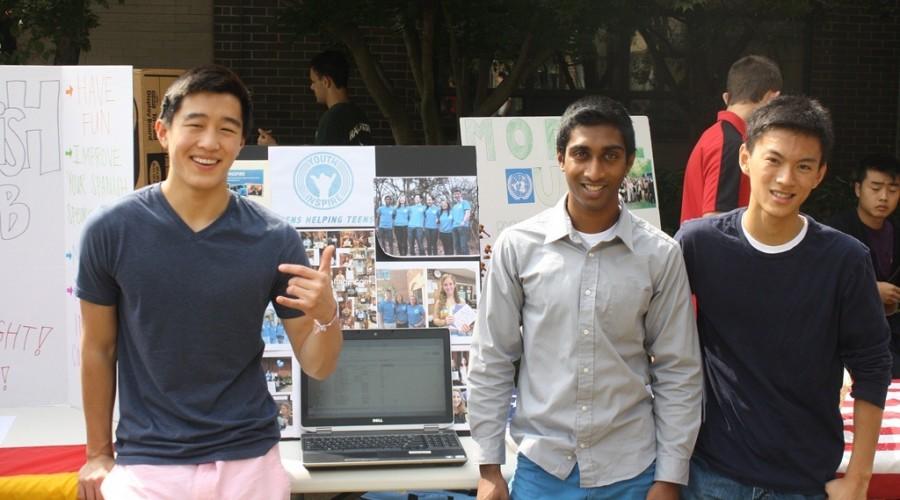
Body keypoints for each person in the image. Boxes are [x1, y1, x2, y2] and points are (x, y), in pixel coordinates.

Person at [76, 65, 343, 500]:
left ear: (241, 143)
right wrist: (97, 453)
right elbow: (97, 348)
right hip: (148, 465)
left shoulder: (273, 238)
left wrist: (328, 314)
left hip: (249, 463)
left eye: (226, 129)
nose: (209, 142)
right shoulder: (111, 230)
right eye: (195, 125)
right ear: (162, 131)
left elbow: (318, 364)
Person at [469, 95, 702, 500]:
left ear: (629, 162)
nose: (595, 171)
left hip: (632, 472)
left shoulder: (660, 255)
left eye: (610, 156)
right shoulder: (518, 247)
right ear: (561, 159)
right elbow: (492, 358)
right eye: (581, 154)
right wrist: (489, 469)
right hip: (543, 472)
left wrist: (668, 477)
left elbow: (678, 370)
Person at [676, 95, 892, 498]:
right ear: (746, 158)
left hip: (803, 480)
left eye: (803, 166)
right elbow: (657, 341)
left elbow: (872, 366)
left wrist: (858, 479)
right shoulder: (698, 244)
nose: (786, 178)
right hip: (712, 475)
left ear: (820, 174)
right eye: (773, 160)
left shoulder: (845, 260)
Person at [680, 55, 782, 224]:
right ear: (772, 98)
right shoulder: (730, 143)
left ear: (727, 98)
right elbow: (716, 222)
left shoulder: (717, 136)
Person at [827, 153, 900, 378]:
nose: (884, 197)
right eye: (876, 188)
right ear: (858, 189)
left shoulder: (897, 229)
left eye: (893, 189)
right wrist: (870, 290)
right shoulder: (835, 232)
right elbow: (822, 286)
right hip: (853, 339)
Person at [255, 50, 371, 146]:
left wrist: (273, 149)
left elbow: (319, 164)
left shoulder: (332, 118)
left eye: (313, 81)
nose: (311, 87)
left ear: (326, 82)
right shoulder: (360, 114)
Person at [450, 189, 473, 255]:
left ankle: (467, 262)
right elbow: (451, 217)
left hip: (463, 226)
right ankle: (459, 262)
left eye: (458, 194)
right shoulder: (454, 206)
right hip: (454, 227)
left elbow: (467, 213)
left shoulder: (465, 202)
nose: (456, 195)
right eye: (455, 194)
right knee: (457, 246)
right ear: (453, 196)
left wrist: (463, 221)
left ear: (460, 194)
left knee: (463, 246)